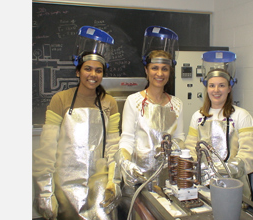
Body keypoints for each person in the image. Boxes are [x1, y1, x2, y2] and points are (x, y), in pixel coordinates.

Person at [32, 26, 121, 220]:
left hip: (99, 186)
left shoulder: (110, 103)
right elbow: (47, 148)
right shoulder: (60, 100)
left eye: (98, 70)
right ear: (78, 72)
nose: (93, 74)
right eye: (87, 69)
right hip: (66, 188)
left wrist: (113, 181)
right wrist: (45, 191)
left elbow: (113, 146)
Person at [115, 26, 185, 218]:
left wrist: (177, 153)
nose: (159, 73)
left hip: (168, 181)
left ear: (169, 72)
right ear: (146, 70)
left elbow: (180, 138)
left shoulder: (176, 104)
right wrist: (126, 163)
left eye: (164, 68)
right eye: (154, 68)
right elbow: (127, 139)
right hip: (138, 181)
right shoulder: (134, 101)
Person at [184, 50, 253, 201]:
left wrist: (226, 170)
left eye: (221, 85)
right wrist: (201, 170)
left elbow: (249, 154)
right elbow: (191, 148)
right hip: (203, 187)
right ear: (206, 87)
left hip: (235, 188)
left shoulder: (241, 116)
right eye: (212, 85)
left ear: (229, 88)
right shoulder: (198, 117)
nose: (216, 90)